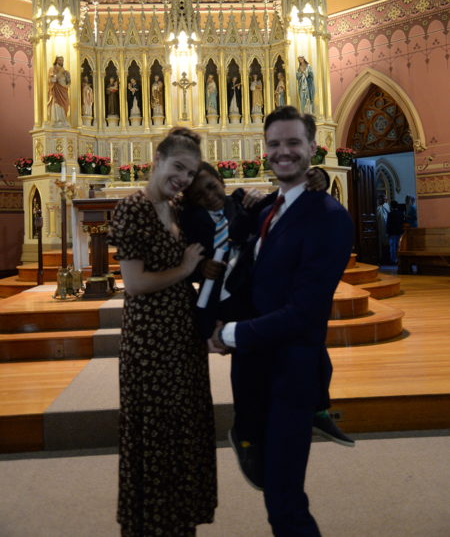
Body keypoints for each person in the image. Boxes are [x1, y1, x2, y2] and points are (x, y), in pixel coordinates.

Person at [212, 106, 354, 536]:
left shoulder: (329, 217)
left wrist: (230, 333)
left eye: (293, 142)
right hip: (255, 372)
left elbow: (304, 313)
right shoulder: (269, 209)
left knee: (285, 502)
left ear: (312, 146)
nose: (283, 152)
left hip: (292, 374)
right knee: (273, 487)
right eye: (274, 144)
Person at [108, 128, 217, 537]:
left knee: (185, 430)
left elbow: (221, 207)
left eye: (190, 172)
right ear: (157, 159)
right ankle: (152, 525)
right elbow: (135, 284)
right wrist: (186, 270)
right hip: (150, 342)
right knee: (156, 433)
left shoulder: (177, 208)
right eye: (178, 167)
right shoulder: (132, 208)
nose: (183, 178)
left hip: (183, 337)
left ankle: (180, 523)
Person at [48, 56, 70, 125]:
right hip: (56, 89)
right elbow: (52, 80)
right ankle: (57, 119)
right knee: (57, 104)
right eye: (60, 60)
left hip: (64, 90)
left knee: (65, 104)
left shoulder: (65, 71)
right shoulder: (52, 69)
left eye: (62, 60)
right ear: (56, 61)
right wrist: (59, 74)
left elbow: (68, 82)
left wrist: (67, 79)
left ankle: (63, 119)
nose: (61, 61)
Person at [386, 199, 405, 265]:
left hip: (392, 233)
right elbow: (403, 222)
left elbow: (388, 224)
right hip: (400, 232)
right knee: (399, 246)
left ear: (391, 206)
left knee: (393, 248)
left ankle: (394, 260)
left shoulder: (390, 214)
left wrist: (387, 232)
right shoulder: (401, 213)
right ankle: (400, 259)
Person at [376, 193, 390, 263]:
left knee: (387, 243)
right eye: (383, 199)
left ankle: (387, 258)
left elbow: (389, 214)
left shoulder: (387, 206)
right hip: (380, 226)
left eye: (385, 199)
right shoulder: (378, 207)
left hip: (386, 226)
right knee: (381, 242)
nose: (384, 200)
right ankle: (381, 258)